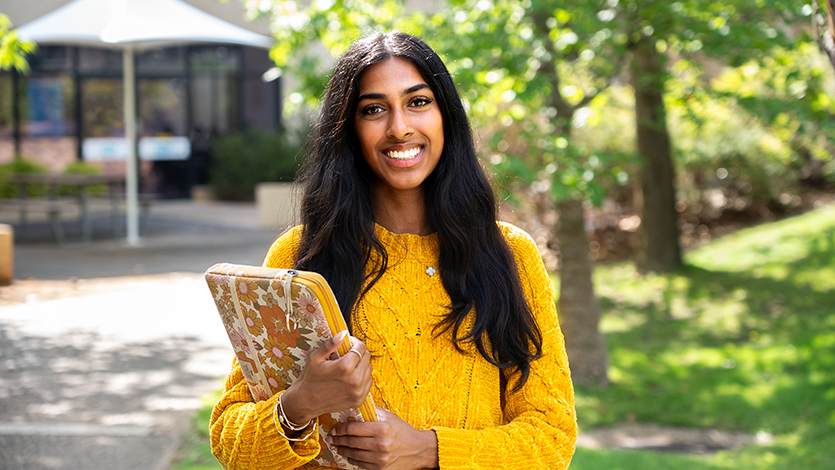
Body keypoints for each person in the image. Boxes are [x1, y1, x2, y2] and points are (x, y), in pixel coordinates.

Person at [210, 31, 577, 469]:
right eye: (374, 109)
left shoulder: (508, 255)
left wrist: (428, 449)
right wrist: (299, 405)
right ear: (348, 132)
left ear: (446, 117)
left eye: (418, 102)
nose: (399, 126)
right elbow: (230, 441)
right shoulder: (301, 256)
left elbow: (552, 436)